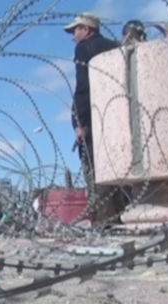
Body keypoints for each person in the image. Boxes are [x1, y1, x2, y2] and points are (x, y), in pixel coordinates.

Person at [65, 12, 120, 224]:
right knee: (116, 170)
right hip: (115, 117)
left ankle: (104, 221)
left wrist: (79, 123)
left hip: (93, 121)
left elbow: (83, 88)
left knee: (95, 172)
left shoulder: (84, 48)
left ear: (86, 30)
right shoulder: (114, 46)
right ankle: (120, 217)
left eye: (75, 30)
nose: (73, 36)